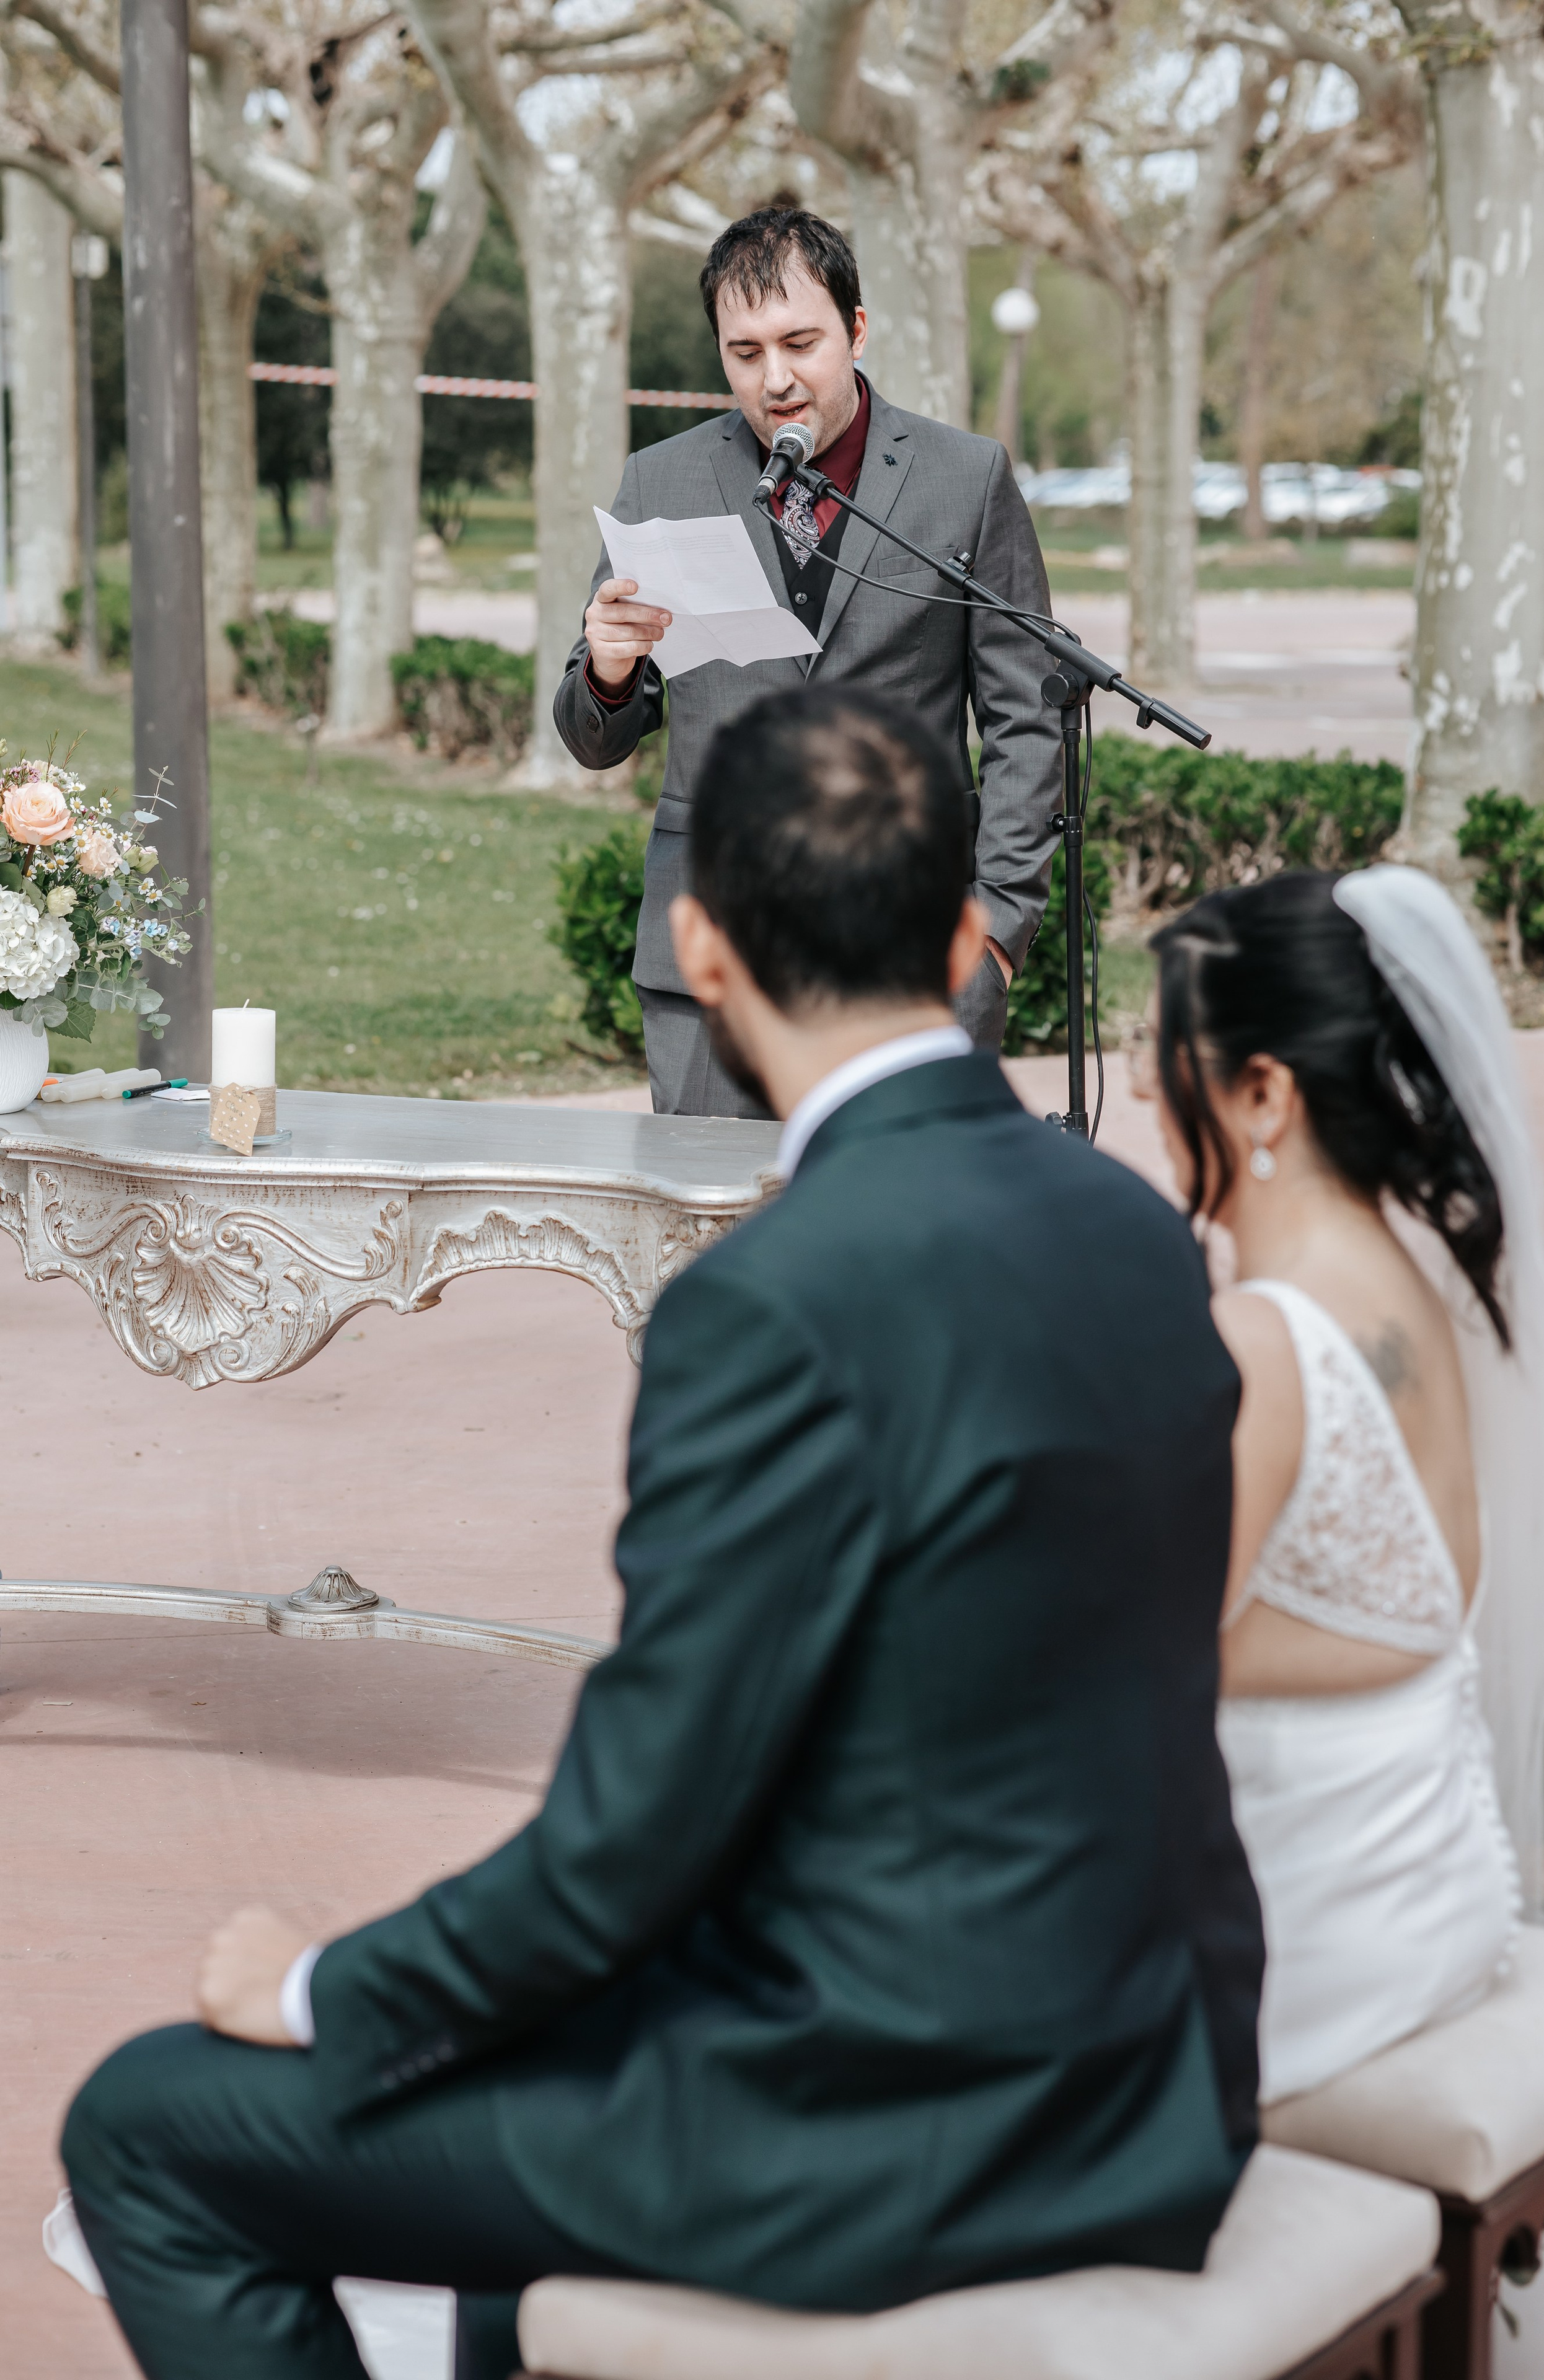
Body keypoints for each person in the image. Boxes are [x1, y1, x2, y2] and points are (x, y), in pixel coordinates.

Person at [61, 688, 1263, 2380]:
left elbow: (633, 1838)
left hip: (892, 2129)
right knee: (505, 2123)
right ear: (959, 930)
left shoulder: (771, 1307)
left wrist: (333, 1988)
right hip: (1156, 2083)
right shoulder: (1132, 1230)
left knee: (151, 2130)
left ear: (703, 950)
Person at [1139, 865, 1544, 2105]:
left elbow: (1135, 1660)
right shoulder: (1425, 1284)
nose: (1140, 1096)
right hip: (1432, 1899)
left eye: (1167, 1062)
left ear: (1262, 1094)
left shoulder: (1261, 1346)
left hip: (1299, 1952)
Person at [553, 206, 1062, 1117]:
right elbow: (596, 738)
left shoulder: (968, 478)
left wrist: (997, 929)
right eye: (744, 353)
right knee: (718, 1240)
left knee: (898, 1245)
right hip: (711, 960)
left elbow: (1028, 719)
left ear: (856, 331)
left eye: (801, 342)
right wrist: (608, 670)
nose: (776, 380)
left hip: (912, 957)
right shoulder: (657, 482)